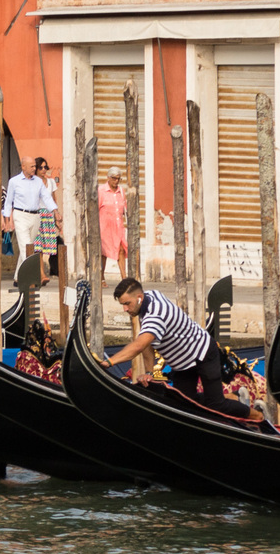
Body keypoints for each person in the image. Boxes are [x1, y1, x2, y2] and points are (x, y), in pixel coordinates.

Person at [110, 275, 247, 416]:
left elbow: (139, 345)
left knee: (217, 405)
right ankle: (234, 397)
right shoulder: (149, 296)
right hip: (182, 363)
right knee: (182, 405)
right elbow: (147, 343)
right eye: (122, 305)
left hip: (202, 352)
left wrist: (109, 362)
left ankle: (259, 415)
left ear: (139, 297)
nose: (125, 309)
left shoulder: (156, 315)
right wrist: (149, 373)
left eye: (127, 303)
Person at [3, 157, 57, 259]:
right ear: (23, 167)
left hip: (36, 216)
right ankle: (31, 274)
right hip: (21, 215)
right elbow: (8, 202)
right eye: (32, 166)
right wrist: (7, 221)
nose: (34, 168)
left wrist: (55, 211)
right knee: (25, 248)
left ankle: (19, 274)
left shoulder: (38, 181)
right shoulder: (14, 181)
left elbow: (47, 197)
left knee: (29, 247)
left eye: (34, 166)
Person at [98, 170, 129, 271]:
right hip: (105, 227)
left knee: (121, 250)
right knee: (104, 253)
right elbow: (96, 209)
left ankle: (124, 278)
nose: (116, 181)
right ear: (108, 178)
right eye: (114, 178)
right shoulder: (101, 190)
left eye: (118, 178)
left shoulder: (121, 191)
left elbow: (124, 207)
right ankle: (101, 277)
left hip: (118, 226)